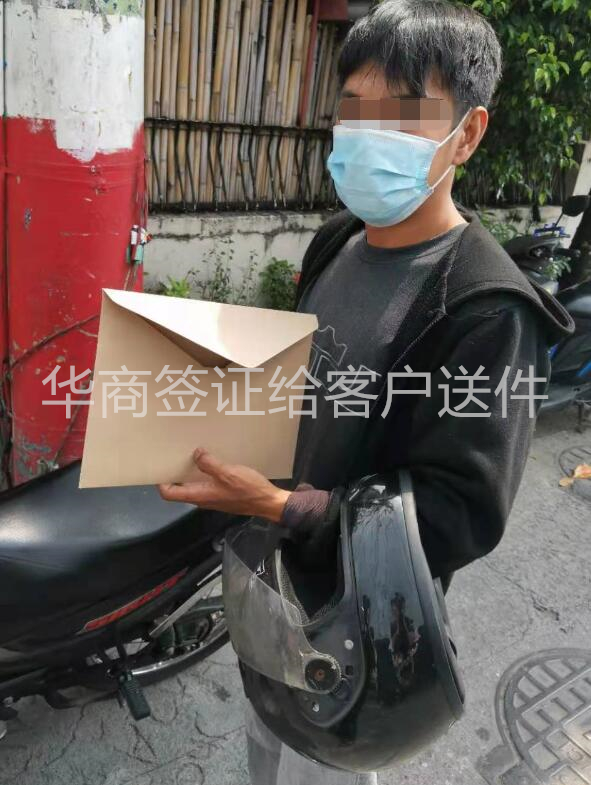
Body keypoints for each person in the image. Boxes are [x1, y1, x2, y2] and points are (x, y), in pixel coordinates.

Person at [159, 1, 572, 782]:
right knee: (263, 739)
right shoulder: (338, 239)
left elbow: (458, 514)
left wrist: (283, 506)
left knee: (320, 759)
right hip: (267, 576)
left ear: (467, 134)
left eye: (403, 114)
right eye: (353, 110)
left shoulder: (485, 309)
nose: (367, 134)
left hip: (351, 619)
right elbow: (306, 375)